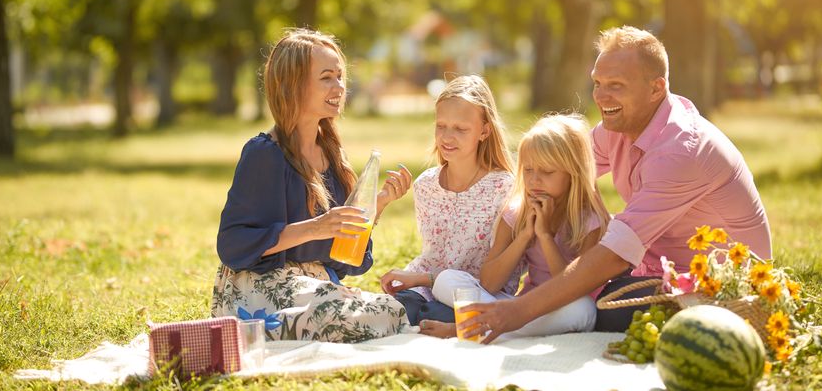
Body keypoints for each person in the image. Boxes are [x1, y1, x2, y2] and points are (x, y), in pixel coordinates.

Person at [459, 26, 772, 342]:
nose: (600, 96)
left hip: (726, 287)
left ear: (656, 88)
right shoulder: (618, 127)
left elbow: (616, 255)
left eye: (616, 86)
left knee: (604, 309)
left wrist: (517, 312)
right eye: (597, 83)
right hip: (656, 272)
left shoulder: (680, 150)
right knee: (595, 299)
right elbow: (563, 169)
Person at [210, 28, 414, 343]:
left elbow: (345, 260)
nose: (339, 86)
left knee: (389, 308)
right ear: (292, 86)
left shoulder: (332, 156)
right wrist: (316, 228)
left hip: (315, 286)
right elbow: (232, 244)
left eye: (341, 76)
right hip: (258, 290)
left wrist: (378, 206)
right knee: (372, 315)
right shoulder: (264, 154)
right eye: (326, 77)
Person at [422, 114, 612, 339]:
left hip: (565, 306)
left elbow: (574, 287)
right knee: (447, 279)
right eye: (529, 170)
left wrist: (545, 236)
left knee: (583, 309)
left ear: (574, 173)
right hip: (521, 307)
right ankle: (500, 326)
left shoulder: (591, 222)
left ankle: (468, 328)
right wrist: (524, 236)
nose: (534, 181)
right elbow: (490, 283)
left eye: (547, 172)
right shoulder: (515, 212)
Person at [379, 75, 517, 327]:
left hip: (473, 292)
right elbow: (430, 255)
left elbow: (496, 275)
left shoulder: (504, 187)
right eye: (441, 126)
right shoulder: (426, 185)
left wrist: (423, 279)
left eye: (461, 129)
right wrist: (414, 281)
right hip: (422, 287)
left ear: (484, 131)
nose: (447, 137)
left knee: (438, 314)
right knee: (394, 311)